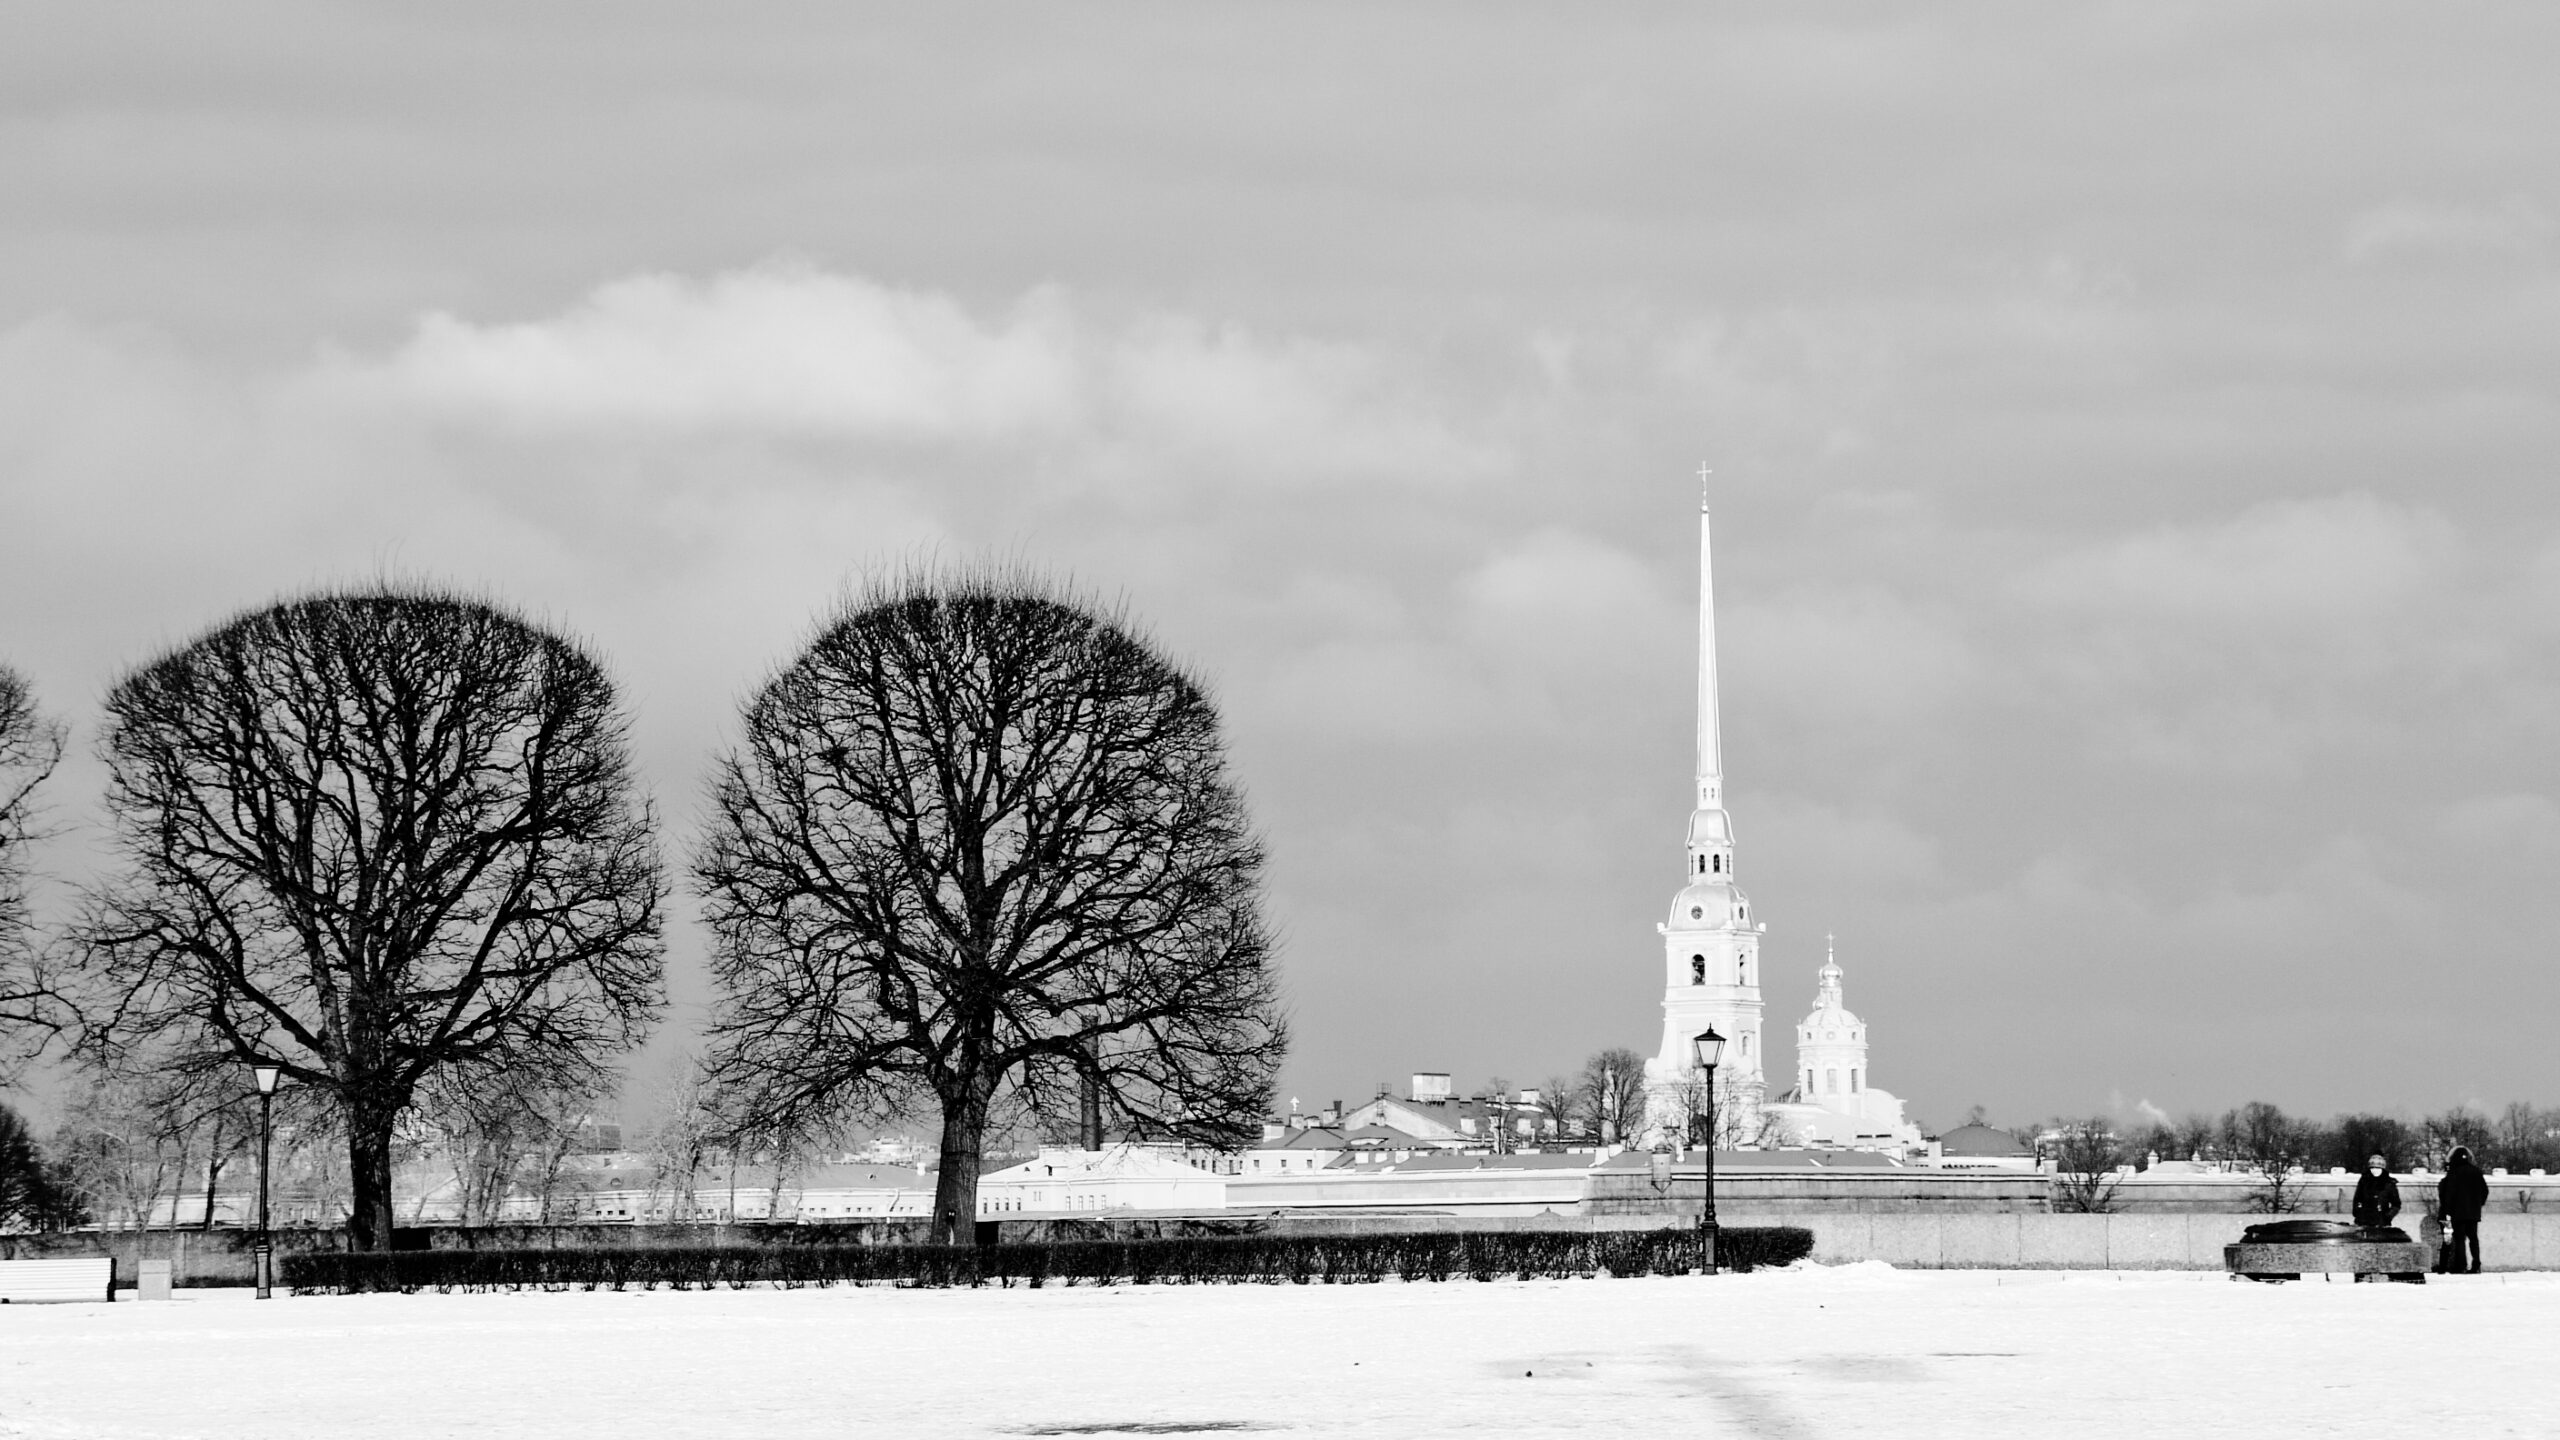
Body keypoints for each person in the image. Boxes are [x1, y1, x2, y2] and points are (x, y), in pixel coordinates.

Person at [2438, 1146, 2489, 1274]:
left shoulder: (2453, 1172)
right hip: (2473, 1212)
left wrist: (2447, 1211)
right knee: (2473, 1238)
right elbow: (2485, 1191)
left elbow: (2448, 1194)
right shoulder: (2476, 1172)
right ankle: (2476, 1264)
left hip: (2457, 1212)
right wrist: (2478, 1204)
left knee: (2460, 1239)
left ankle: (2462, 1266)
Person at [2351, 1153, 2401, 1228]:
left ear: (2382, 1169)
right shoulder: (2364, 1181)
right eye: (2372, 1168)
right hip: (2363, 1221)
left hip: (2381, 1222)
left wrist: (2388, 1216)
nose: (2375, 1171)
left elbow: (2396, 1204)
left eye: (2378, 1168)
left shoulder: (2389, 1183)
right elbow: (2357, 1199)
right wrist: (2358, 1212)